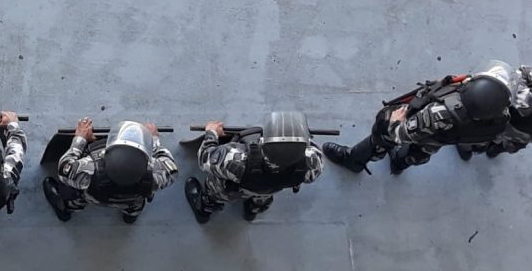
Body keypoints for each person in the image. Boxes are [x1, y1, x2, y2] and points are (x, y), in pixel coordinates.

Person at [323, 61, 514, 174]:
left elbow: (401, 134)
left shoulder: (439, 113)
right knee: (415, 155)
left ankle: (354, 160)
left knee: (383, 133)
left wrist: (395, 121)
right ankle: (398, 164)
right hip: (444, 138)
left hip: (425, 132)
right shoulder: (500, 115)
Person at [184, 111, 324, 223]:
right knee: (262, 196)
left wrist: (211, 133)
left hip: (233, 189)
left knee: (215, 192)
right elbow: (312, 147)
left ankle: (204, 209)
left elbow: (205, 158)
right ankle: (253, 210)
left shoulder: (235, 160)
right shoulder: (312, 163)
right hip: (270, 188)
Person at [43, 117, 178, 224]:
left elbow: (64, 167)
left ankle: (66, 210)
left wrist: (80, 139)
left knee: (76, 196)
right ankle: (130, 217)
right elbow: (170, 165)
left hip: (94, 197)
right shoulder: (157, 173)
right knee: (135, 205)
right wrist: (153, 140)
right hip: (131, 200)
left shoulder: (88, 169)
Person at [459, 64, 532, 160]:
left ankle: (493, 150)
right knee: (477, 132)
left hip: (524, 131)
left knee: (509, 145)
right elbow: (519, 76)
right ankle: (469, 148)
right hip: (504, 114)